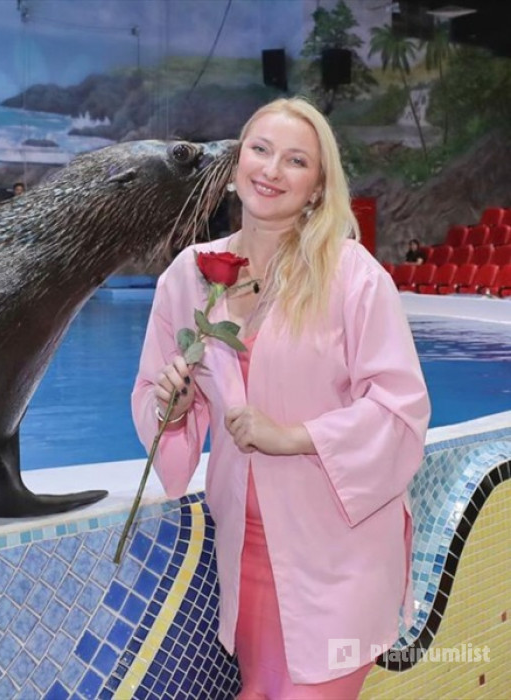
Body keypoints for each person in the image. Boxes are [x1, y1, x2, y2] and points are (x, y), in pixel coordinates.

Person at [131, 97, 430, 699]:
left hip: (339, 553)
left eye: (296, 161)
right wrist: (175, 405)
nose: (271, 170)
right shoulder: (188, 275)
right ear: (238, 159)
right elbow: (152, 396)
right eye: (260, 149)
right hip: (244, 553)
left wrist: (294, 437)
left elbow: (402, 410)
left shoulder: (353, 276)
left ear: (318, 187)